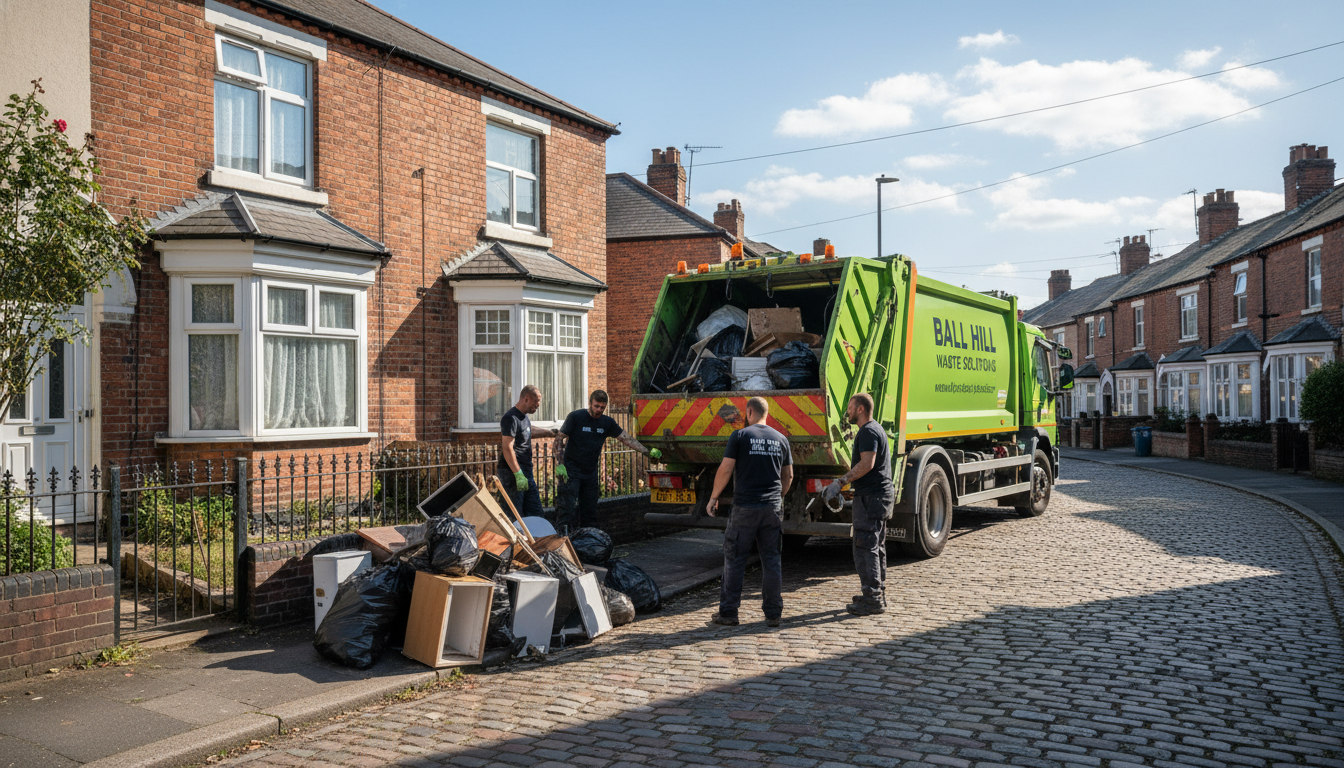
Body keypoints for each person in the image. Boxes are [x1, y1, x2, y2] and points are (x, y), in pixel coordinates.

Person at [706, 397, 793, 628]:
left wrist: (714, 497)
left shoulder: (740, 436)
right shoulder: (781, 439)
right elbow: (788, 475)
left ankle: (729, 613)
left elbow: (726, 469)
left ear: (749, 412)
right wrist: (778, 498)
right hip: (771, 509)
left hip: (745, 508)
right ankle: (773, 614)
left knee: (735, 559)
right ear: (767, 414)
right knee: (771, 560)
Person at [822, 393, 894, 616]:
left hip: (871, 498)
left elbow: (867, 463)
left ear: (861, 409)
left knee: (865, 546)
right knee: (876, 546)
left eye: (851, 407)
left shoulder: (868, 432)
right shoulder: (875, 429)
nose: (848, 412)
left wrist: (841, 482)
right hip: (877, 497)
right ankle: (876, 593)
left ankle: (872, 599)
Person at [553, 390, 661, 533]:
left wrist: (646, 452)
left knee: (590, 509)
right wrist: (560, 464)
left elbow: (626, 438)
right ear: (590, 403)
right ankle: (563, 538)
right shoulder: (576, 417)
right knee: (567, 508)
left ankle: (589, 540)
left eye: (602, 407)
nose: (599, 410)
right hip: (571, 470)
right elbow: (559, 439)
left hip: (590, 471)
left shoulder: (607, 422)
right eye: (596, 406)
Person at [498, 385, 557, 521]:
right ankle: (517, 535)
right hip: (512, 473)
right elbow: (507, 447)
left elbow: (529, 430)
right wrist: (518, 473)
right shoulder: (510, 418)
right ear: (526, 399)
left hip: (526, 471)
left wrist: (550, 432)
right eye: (535, 403)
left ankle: (536, 534)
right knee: (514, 515)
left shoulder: (523, 418)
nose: (537, 406)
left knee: (536, 513)